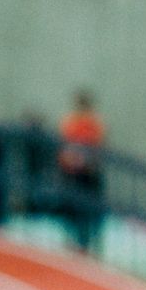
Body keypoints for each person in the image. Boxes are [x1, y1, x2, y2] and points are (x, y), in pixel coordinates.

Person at [56, 90, 106, 250]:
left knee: (87, 208)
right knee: (72, 207)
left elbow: (97, 146)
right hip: (73, 172)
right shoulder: (71, 122)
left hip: (88, 172)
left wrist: (85, 162)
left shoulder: (93, 124)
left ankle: (85, 240)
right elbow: (65, 146)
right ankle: (75, 238)